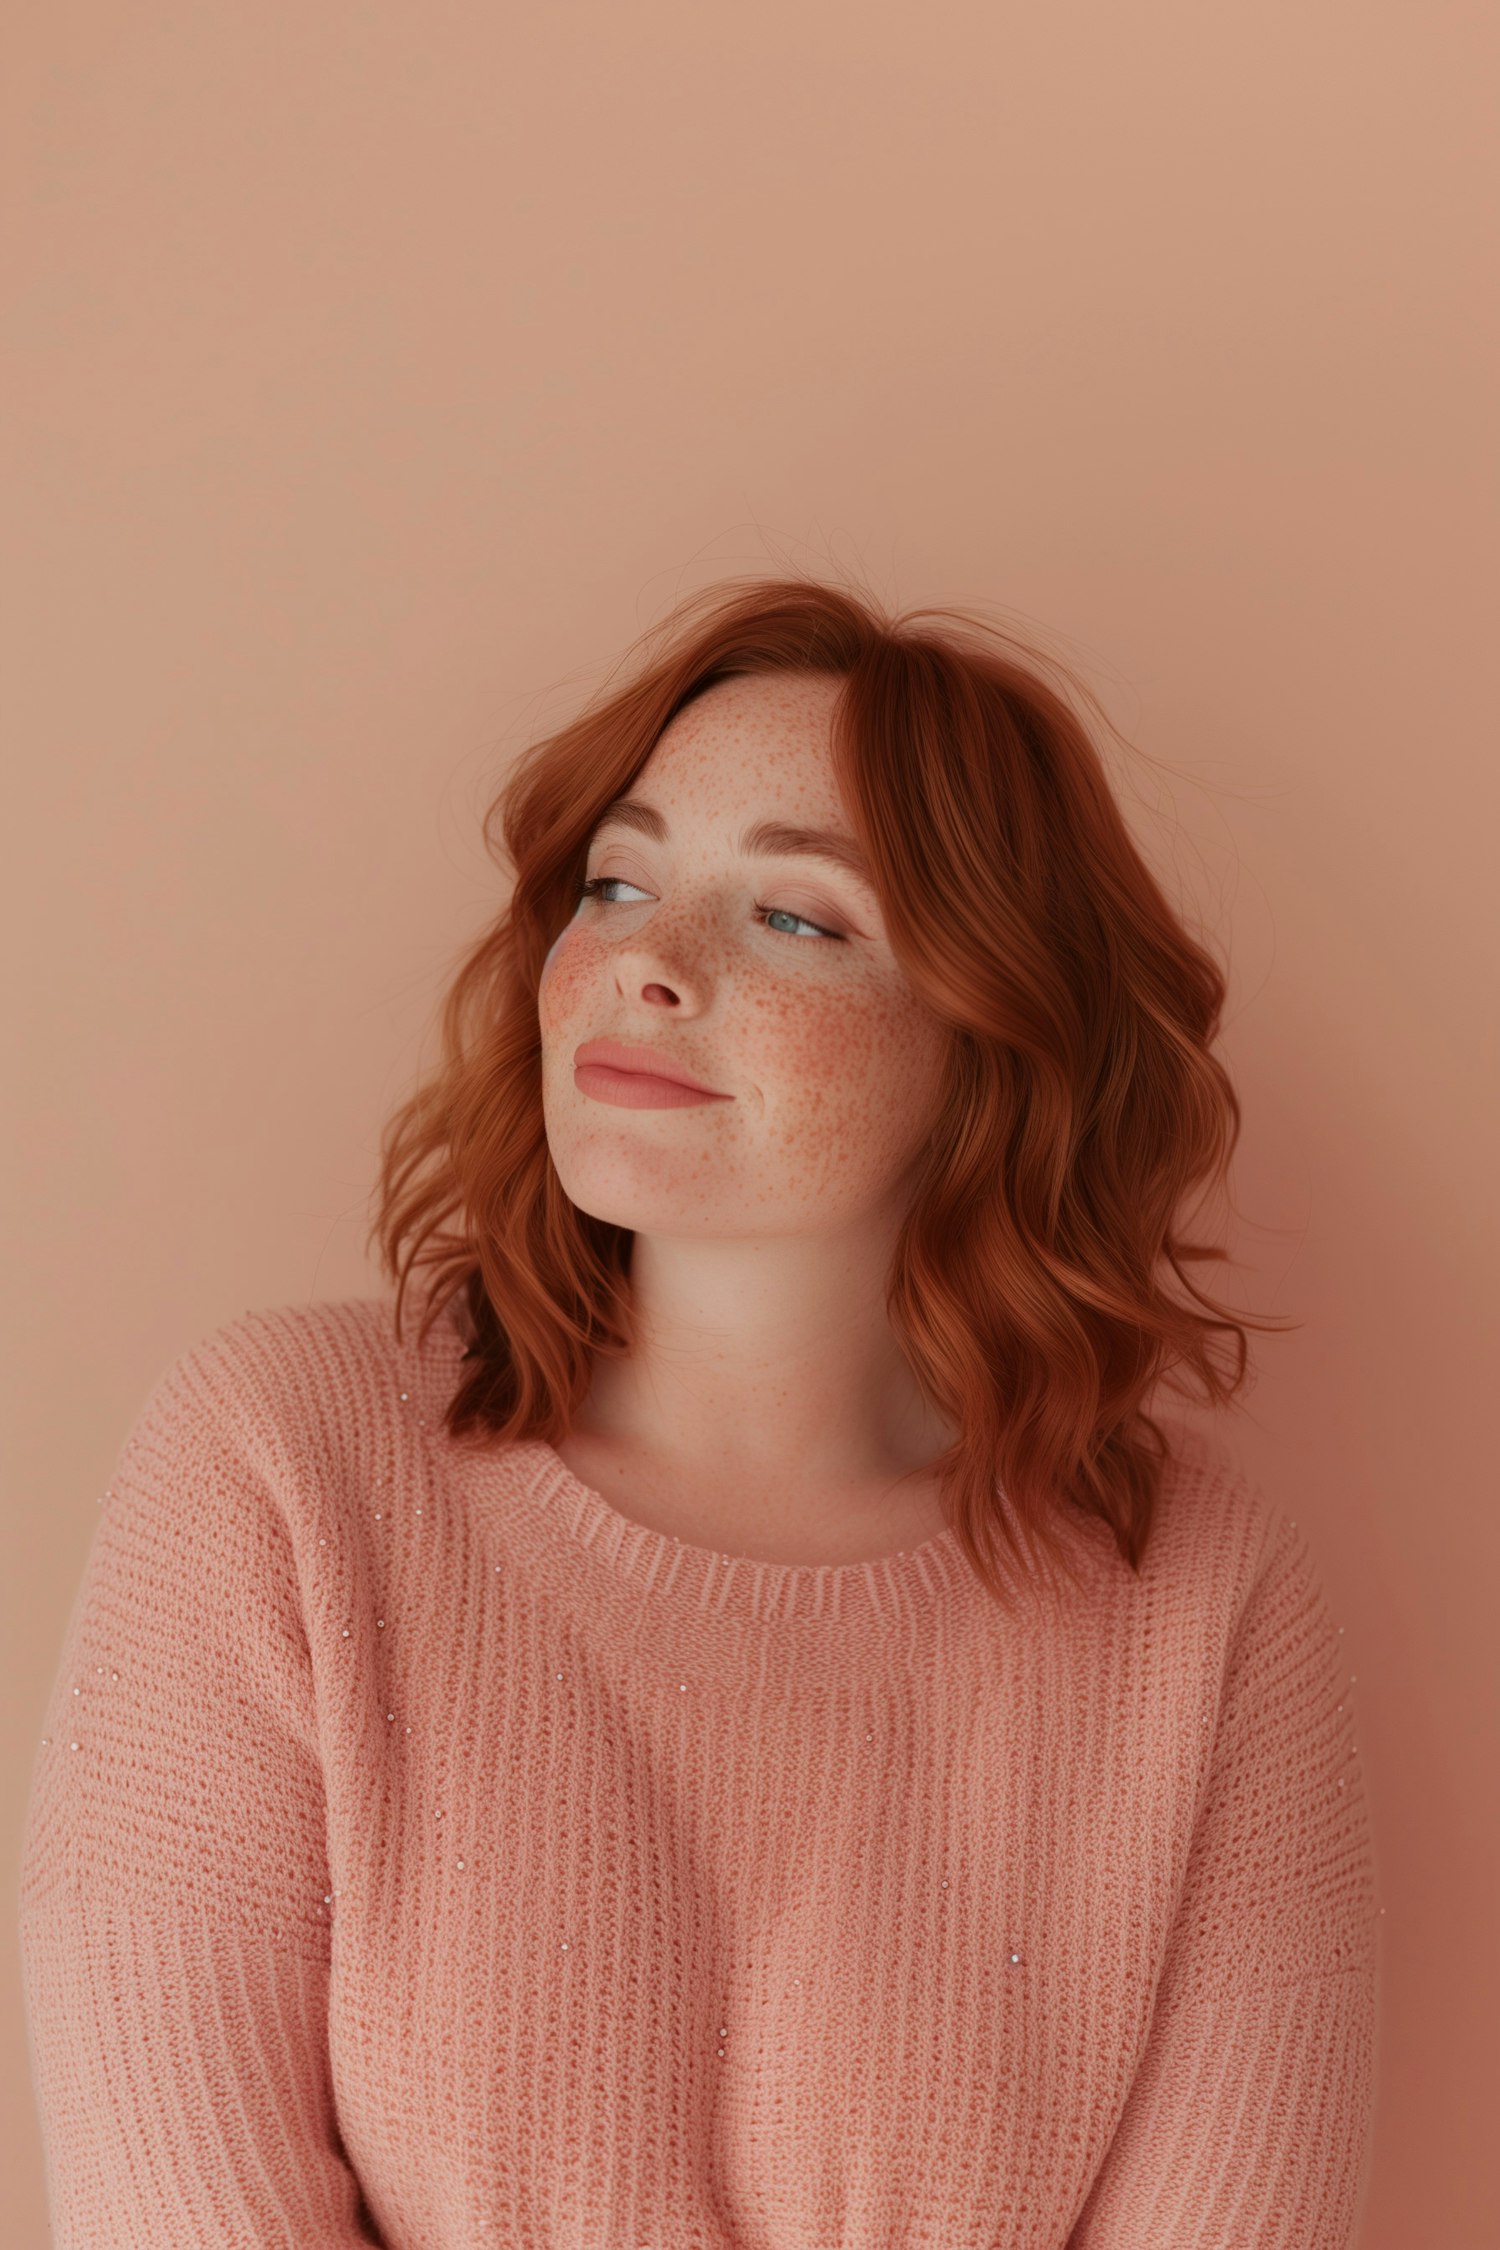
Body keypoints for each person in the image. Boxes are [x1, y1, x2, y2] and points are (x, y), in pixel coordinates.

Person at [19, 575, 1381, 2247]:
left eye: (795, 915)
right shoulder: (279, 1466)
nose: (646, 963)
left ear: (1000, 1039)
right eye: (619, 878)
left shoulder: (1208, 1601)